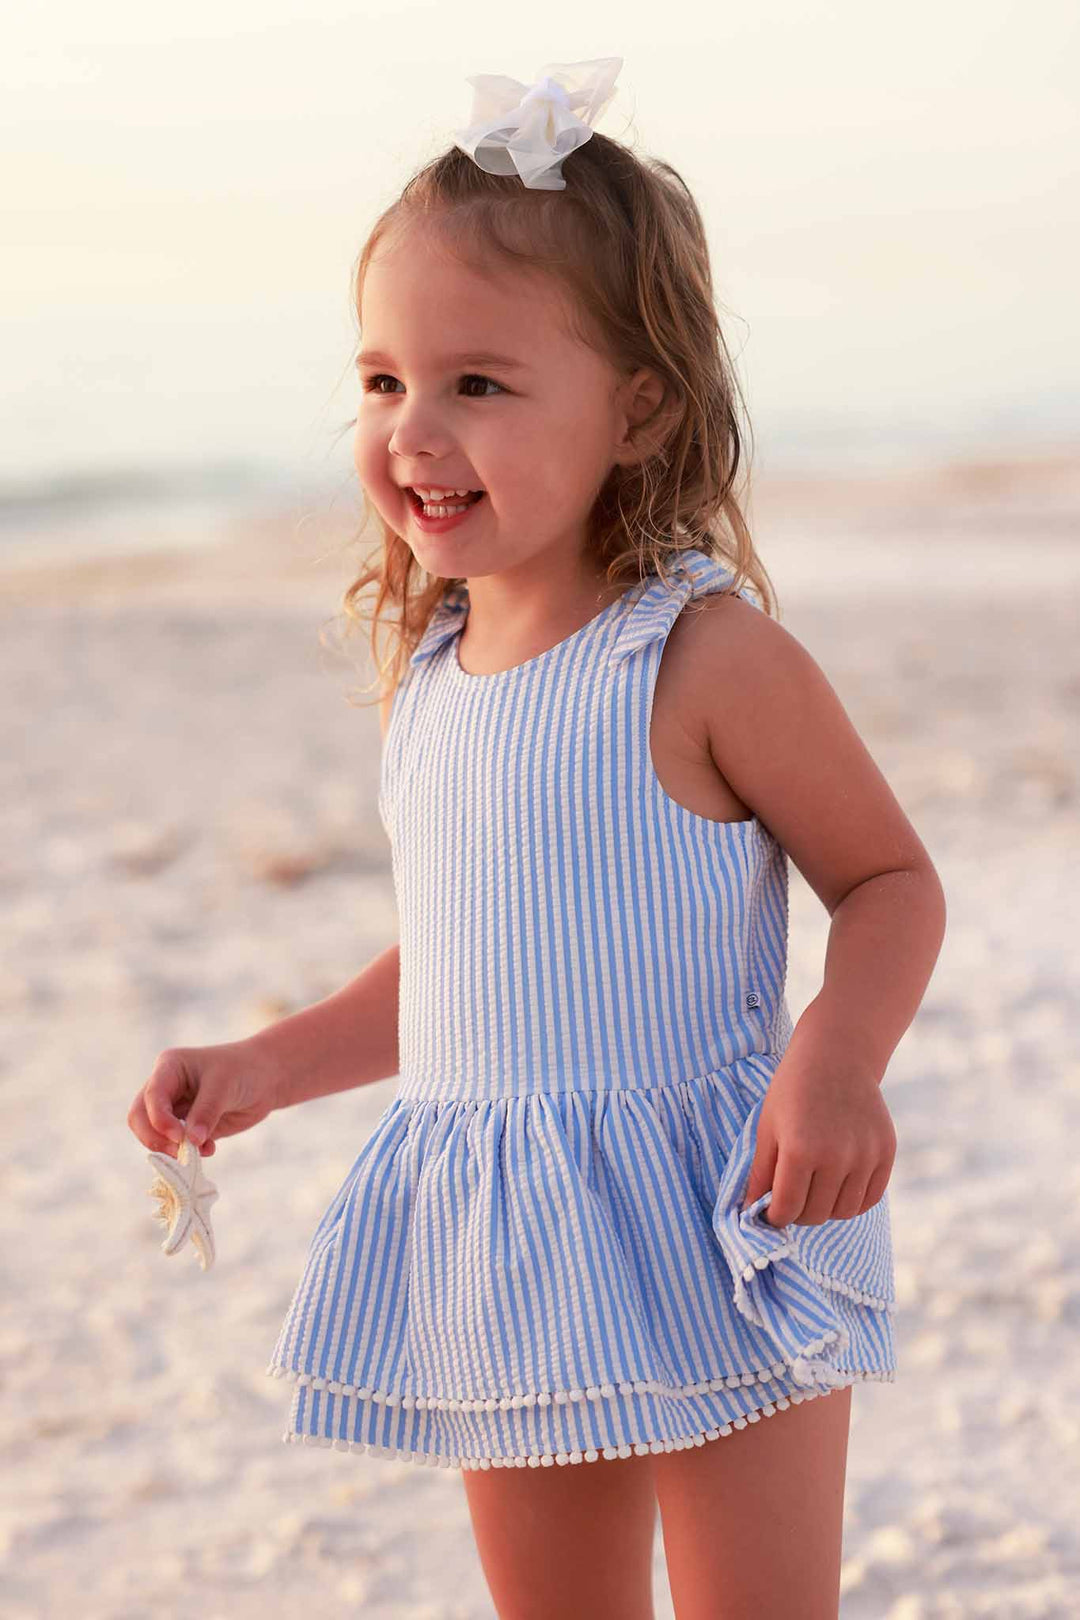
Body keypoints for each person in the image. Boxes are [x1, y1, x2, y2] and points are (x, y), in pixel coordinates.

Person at [127, 58, 947, 1620]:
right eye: (382, 381)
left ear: (638, 408)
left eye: (478, 384)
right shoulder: (433, 672)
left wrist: (834, 1062)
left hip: (726, 1216)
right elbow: (456, 966)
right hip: (506, 1235)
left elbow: (892, 881)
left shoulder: (701, 657)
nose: (412, 431)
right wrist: (266, 1067)